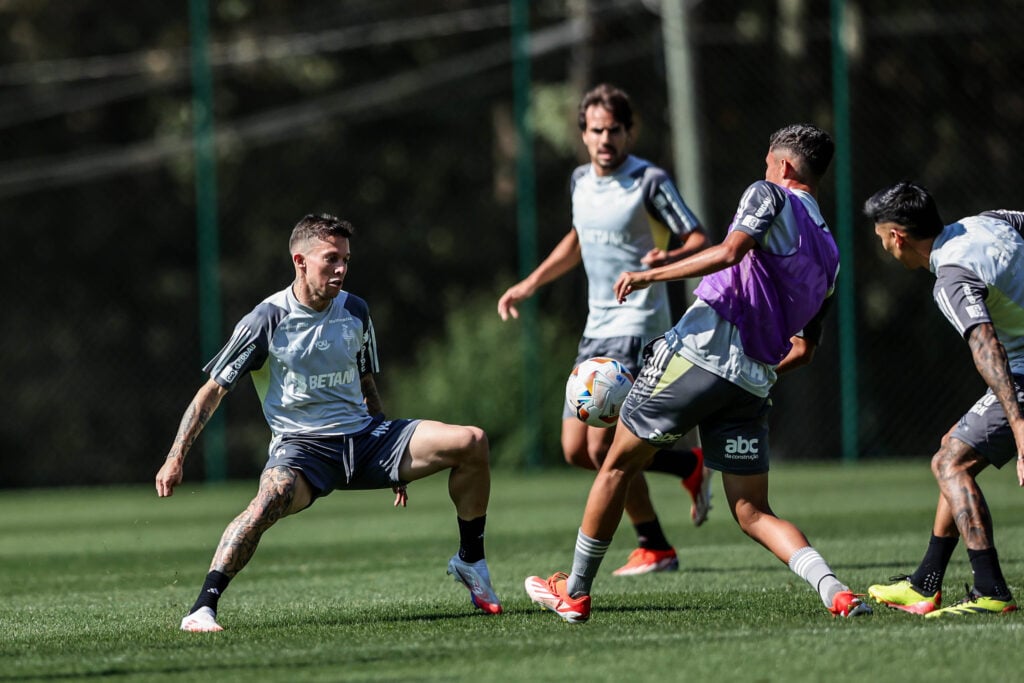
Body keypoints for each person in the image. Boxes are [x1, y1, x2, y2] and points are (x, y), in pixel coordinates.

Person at [524, 123, 872, 623]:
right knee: (753, 511)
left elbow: (730, 251)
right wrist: (750, 371)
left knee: (617, 465)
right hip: (753, 383)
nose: (765, 169)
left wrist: (649, 274)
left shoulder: (768, 194)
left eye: (768, 161)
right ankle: (835, 590)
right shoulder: (831, 254)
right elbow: (805, 351)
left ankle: (574, 591)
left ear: (785, 167)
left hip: (698, 353)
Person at [156, 214, 502, 632]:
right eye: (330, 259)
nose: (341, 269)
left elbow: (366, 381)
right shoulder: (265, 321)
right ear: (300, 261)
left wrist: (394, 458)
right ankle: (202, 607)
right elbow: (212, 391)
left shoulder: (355, 310)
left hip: (364, 438)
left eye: (346, 260)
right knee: (269, 499)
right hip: (303, 448)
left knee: (472, 441)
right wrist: (175, 457)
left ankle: (470, 561)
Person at [497, 83, 712, 576]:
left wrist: (668, 257)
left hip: (638, 325)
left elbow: (699, 236)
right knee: (575, 450)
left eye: (615, 130)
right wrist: (529, 283)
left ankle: (654, 546)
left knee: (603, 446)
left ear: (629, 131)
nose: (605, 139)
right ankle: (687, 466)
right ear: (583, 134)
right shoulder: (579, 181)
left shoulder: (649, 181)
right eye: (596, 131)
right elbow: (578, 238)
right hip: (597, 327)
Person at [863, 182, 1024, 618]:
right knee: (953, 448)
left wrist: (1020, 428)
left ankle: (991, 592)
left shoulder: (951, 277)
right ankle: (925, 583)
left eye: (880, 237)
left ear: (897, 236)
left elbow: (986, 347)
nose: (882, 245)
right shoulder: (989, 220)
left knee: (948, 464)